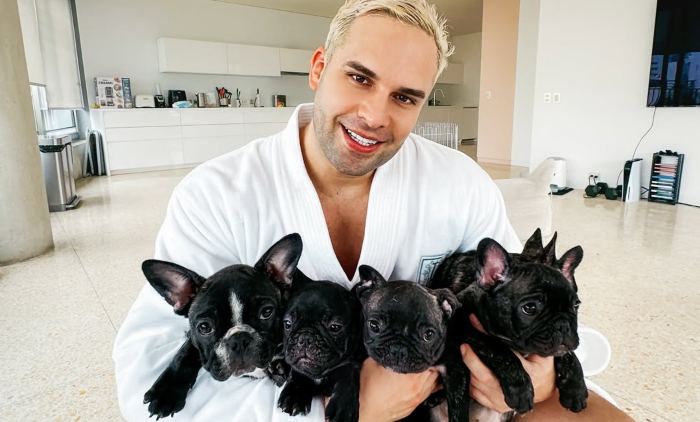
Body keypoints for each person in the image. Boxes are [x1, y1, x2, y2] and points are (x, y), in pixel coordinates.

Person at [113, 1, 632, 421]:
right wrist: (342, 410)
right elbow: (144, 377)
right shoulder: (215, 194)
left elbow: (524, 308)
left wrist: (548, 372)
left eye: (405, 97)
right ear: (319, 68)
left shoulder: (461, 184)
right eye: (359, 78)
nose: (375, 115)